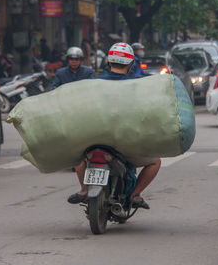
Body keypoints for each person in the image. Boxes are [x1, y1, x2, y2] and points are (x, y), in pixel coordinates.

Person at [67, 42, 161, 209]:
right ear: (131, 63)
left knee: (78, 159)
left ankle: (83, 189)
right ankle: (135, 194)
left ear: (109, 63)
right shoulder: (137, 86)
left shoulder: (93, 84)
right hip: (125, 145)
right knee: (155, 162)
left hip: (95, 141)